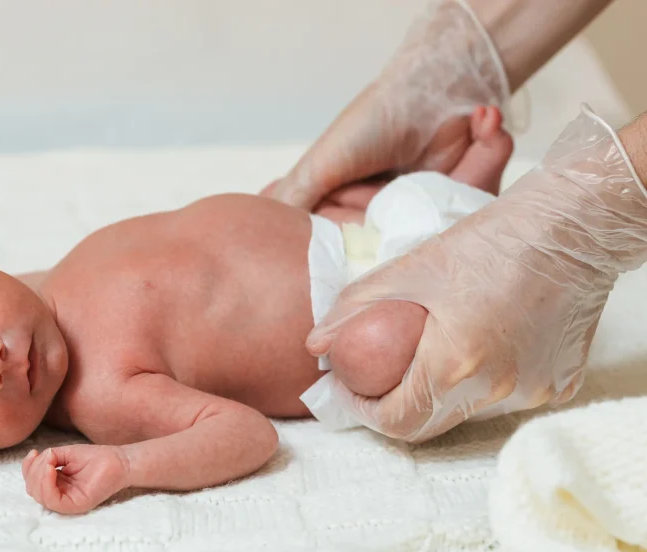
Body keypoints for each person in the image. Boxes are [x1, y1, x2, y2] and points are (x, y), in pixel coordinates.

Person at [0, 109, 513, 514]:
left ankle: (463, 196)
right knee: (373, 352)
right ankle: (487, 230)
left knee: (320, 186)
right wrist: (127, 466)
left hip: (345, 228)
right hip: (367, 308)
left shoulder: (47, 278)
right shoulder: (102, 396)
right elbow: (246, 435)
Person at [266, 0, 647, 442]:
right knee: (363, 333)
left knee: (365, 334)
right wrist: (450, 72)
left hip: (366, 263)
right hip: (368, 279)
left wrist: (594, 209)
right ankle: (463, 196)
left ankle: (465, 202)